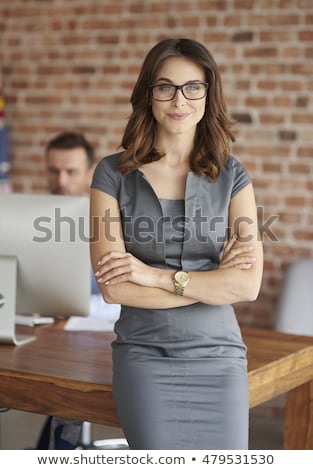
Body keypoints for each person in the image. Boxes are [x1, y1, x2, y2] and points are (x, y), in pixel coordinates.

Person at [90, 38, 263, 450]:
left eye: (193, 87)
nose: (179, 99)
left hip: (219, 358)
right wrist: (211, 283)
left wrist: (151, 276)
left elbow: (247, 287)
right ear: (148, 95)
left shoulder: (232, 175)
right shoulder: (112, 174)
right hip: (145, 355)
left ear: (208, 94)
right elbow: (114, 288)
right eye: (165, 87)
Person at [36, 131, 120, 449]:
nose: (61, 181)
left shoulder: (110, 224)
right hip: (46, 332)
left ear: (89, 174)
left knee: (70, 388)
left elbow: (122, 300)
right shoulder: (32, 219)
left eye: (70, 172)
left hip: (95, 337)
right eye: (54, 171)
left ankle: (57, 452)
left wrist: (71, 311)